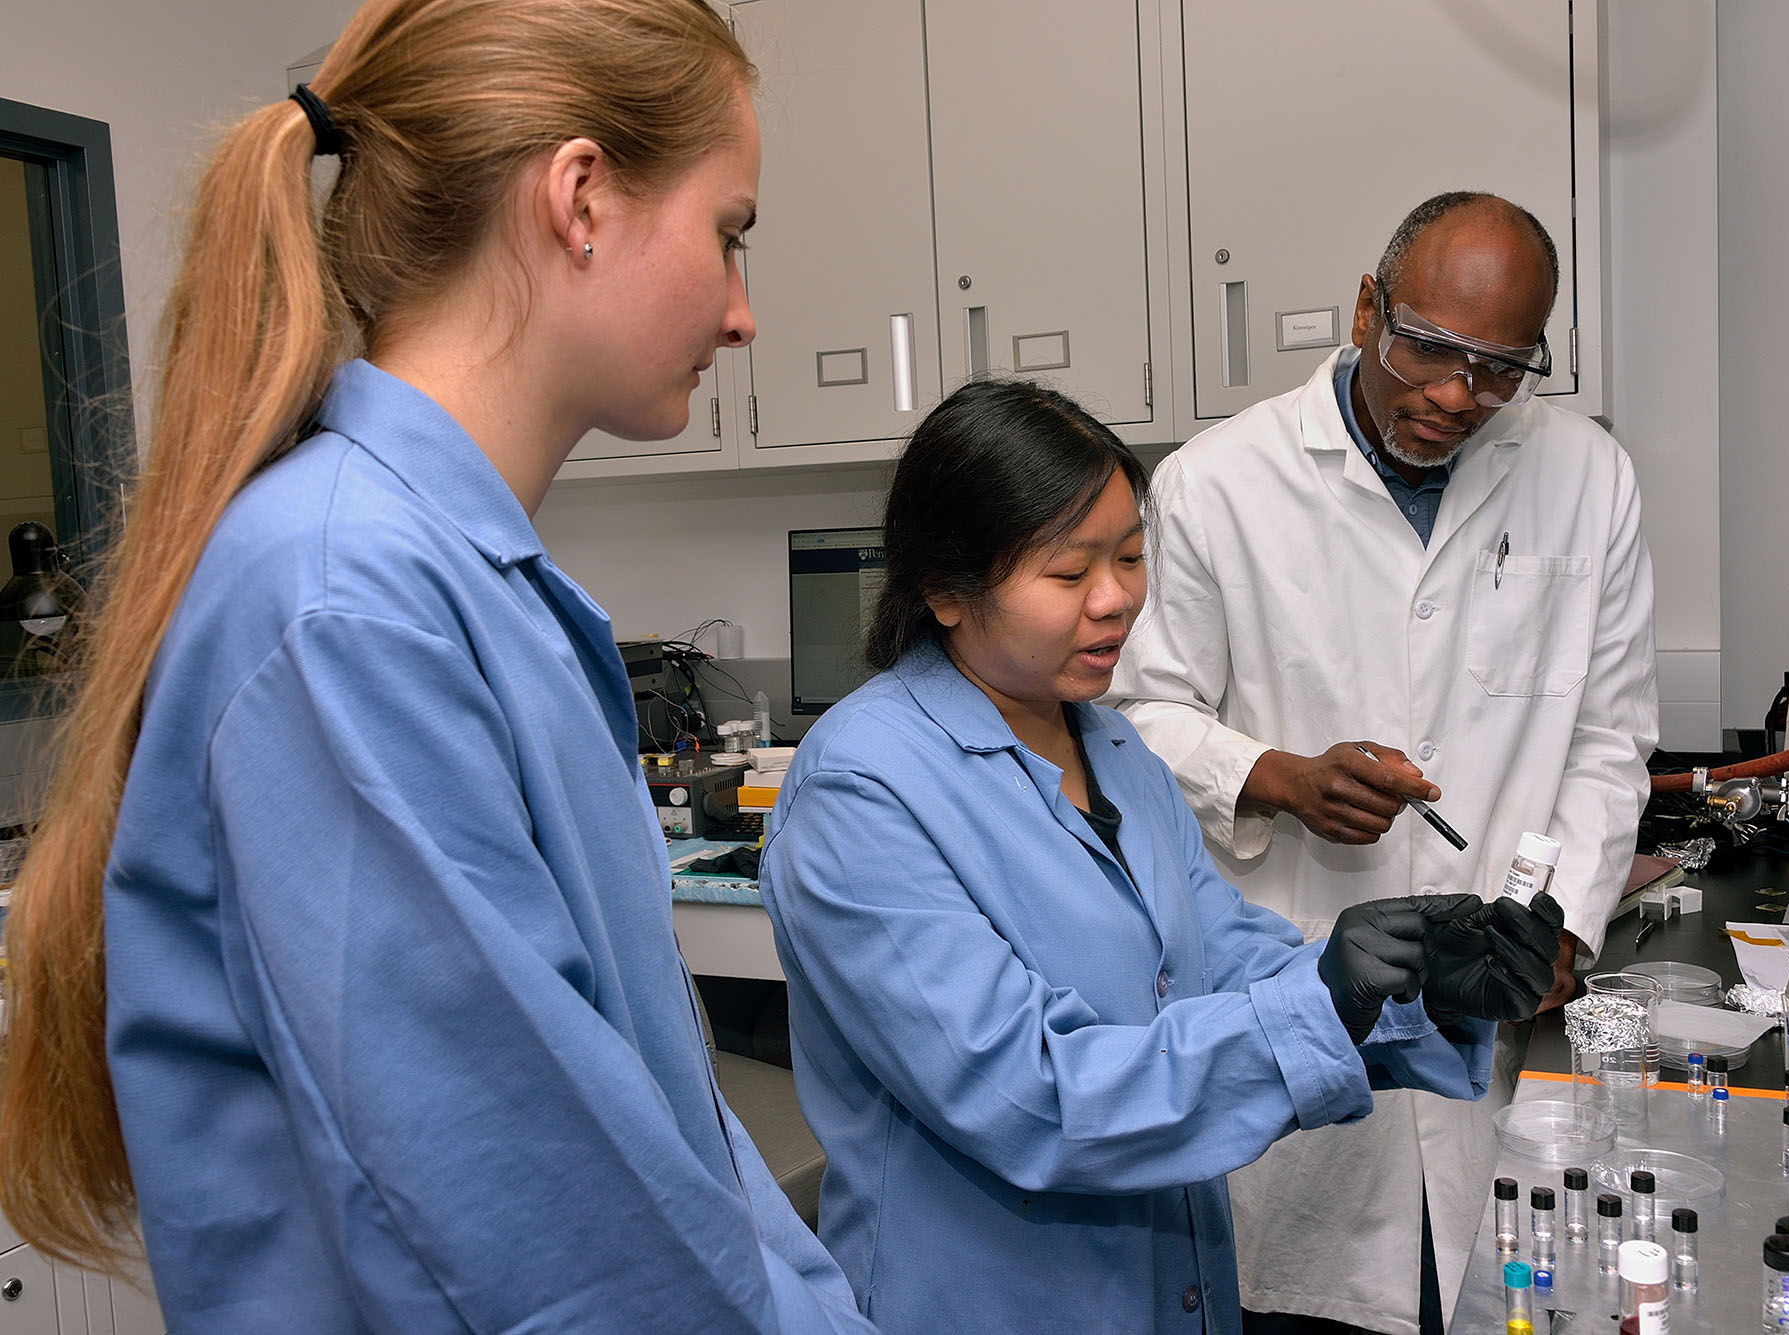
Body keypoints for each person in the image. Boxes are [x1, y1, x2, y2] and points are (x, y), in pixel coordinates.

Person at [0, 3, 873, 1330]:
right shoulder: (349, 601)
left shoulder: (464, 585)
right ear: (580, 198)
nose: (743, 312)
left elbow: (661, 1137)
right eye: (727, 233)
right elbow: (552, 1238)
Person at [757, 376, 1566, 1335]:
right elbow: (1030, 1096)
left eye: (1132, 557)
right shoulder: (864, 789)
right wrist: (1321, 1004)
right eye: (1068, 574)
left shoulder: (1115, 751)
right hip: (992, 1302)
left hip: (1170, 1289)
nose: (1116, 601)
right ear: (944, 589)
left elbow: (1222, 959)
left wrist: (1414, 991)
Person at [1109, 191, 1659, 1335]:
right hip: (1295, 991)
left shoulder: (1587, 477)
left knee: (1493, 1289)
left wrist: (1559, 924)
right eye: (1425, 349)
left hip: (1488, 1022)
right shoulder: (1216, 485)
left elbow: (1608, 736)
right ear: (1365, 308)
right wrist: (1274, 777)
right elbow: (1134, 718)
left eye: (1499, 368)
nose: (1454, 395)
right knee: (1298, 1307)